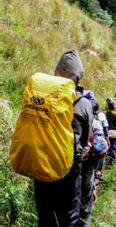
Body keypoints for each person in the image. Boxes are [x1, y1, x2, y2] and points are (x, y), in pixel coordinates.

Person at [34, 50, 93, 227]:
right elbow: (84, 141)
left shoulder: (43, 98)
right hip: (68, 169)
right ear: (78, 77)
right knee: (69, 217)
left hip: (41, 165)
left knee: (45, 215)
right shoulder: (83, 103)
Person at [79, 104, 108, 227]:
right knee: (84, 212)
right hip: (85, 173)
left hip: (59, 173)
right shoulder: (95, 123)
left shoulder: (63, 119)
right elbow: (101, 147)